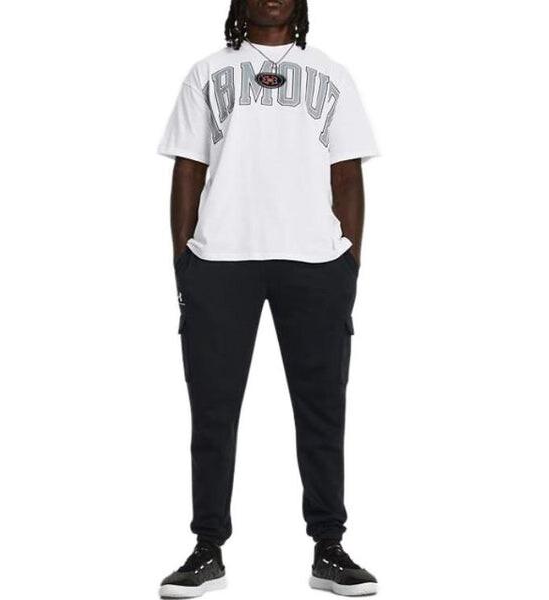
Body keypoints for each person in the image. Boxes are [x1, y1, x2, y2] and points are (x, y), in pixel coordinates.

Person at [157, 0, 379, 596]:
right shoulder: (207, 72)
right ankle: (207, 548)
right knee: (212, 410)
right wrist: (184, 262)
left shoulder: (330, 73)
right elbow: (187, 169)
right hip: (220, 260)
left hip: (315, 261)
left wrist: (348, 263)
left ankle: (329, 548)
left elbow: (347, 172)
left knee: (322, 408)